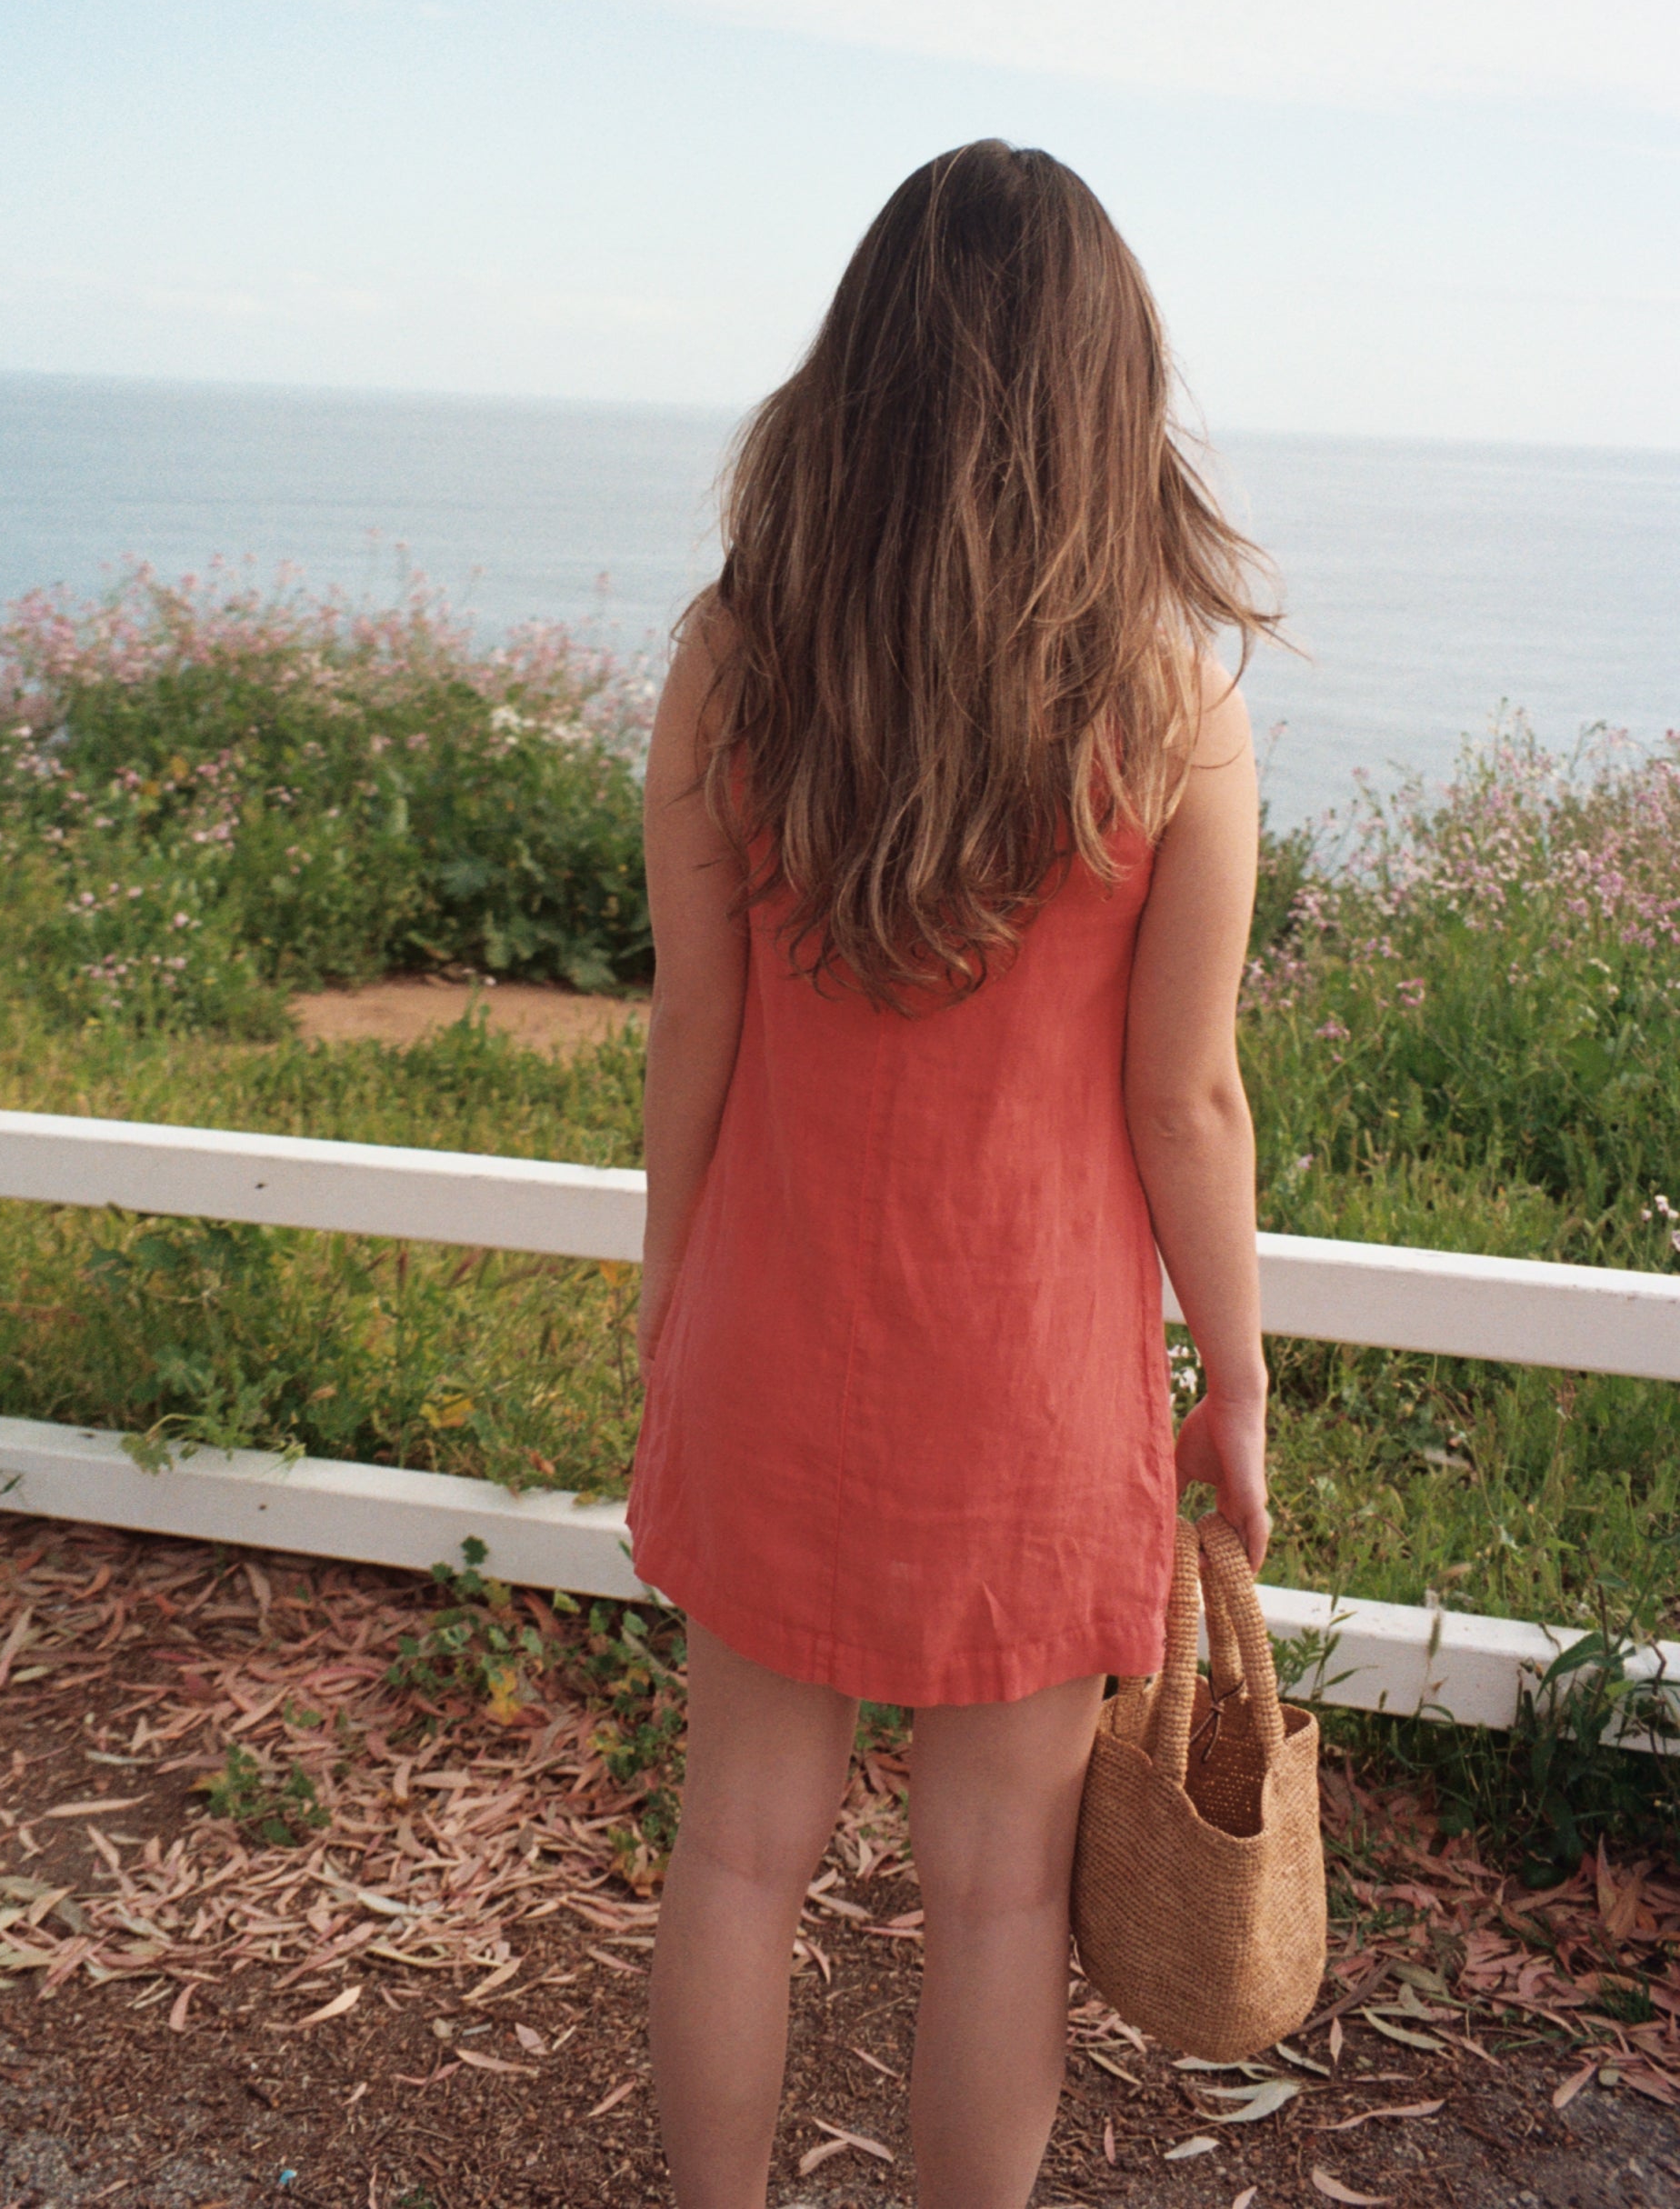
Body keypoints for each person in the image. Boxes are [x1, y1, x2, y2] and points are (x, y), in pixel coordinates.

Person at [626, 141, 1277, 2209]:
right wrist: (1238, 1384)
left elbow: (694, 1037)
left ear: (862, 369)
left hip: (773, 1331)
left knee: (739, 1847)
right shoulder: (1171, 709)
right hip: (1033, 1379)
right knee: (999, 1902)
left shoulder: (735, 659)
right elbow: (1188, 1105)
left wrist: (667, 1309)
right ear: (1110, 391)